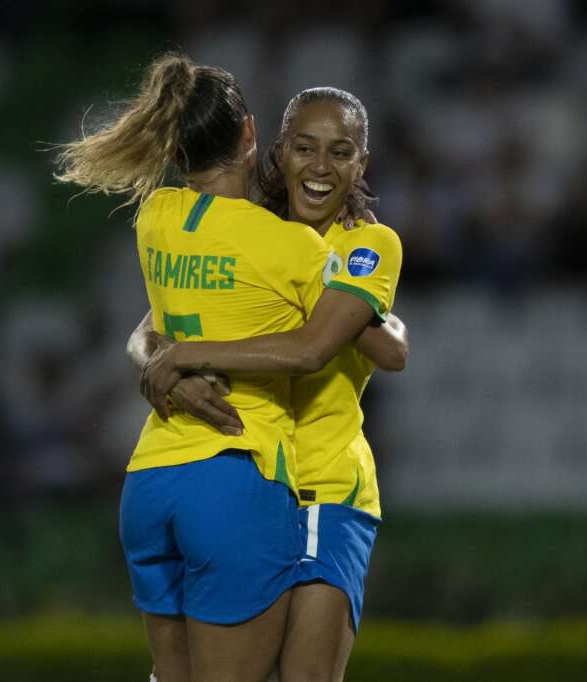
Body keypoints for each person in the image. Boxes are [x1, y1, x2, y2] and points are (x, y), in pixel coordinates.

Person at [57, 54, 366, 682]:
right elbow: (328, 343)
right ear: (252, 135)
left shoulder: (155, 219)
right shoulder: (290, 246)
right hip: (236, 472)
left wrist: (167, 360)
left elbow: (149, 330)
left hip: (151, 480)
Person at [133, 87, 406, 681]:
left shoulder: (366, 244)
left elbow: (383, 350)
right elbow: (148, 332)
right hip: (250, 481)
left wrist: (180, 358)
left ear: (362, 164)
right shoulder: (255, 235)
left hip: (323, 489)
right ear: (277, 152)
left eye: (341, 152)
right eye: (305, 148)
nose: (320, 167)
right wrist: (168, 371)